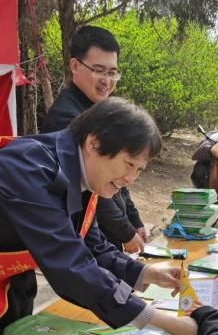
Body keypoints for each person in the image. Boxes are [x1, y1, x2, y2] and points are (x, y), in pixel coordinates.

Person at [0, 98, 196, 335]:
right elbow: (70, 265)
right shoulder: (24, 167)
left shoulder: (81, 174)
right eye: (129, 164)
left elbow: (90, 245)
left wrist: (145, 273)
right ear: (93, 143)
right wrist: (164, 323)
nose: (131, 178)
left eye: (140, 169)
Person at [41, 25, 148, 253]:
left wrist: (135, 220)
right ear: (75, 66)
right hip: (87, 236)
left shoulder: (103, 112)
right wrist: (125, 232)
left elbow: (117, 175)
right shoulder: (67, 118)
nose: (106, 81)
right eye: (99, 70)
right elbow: (94, 188)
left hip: (104, 235)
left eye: (112, 72)